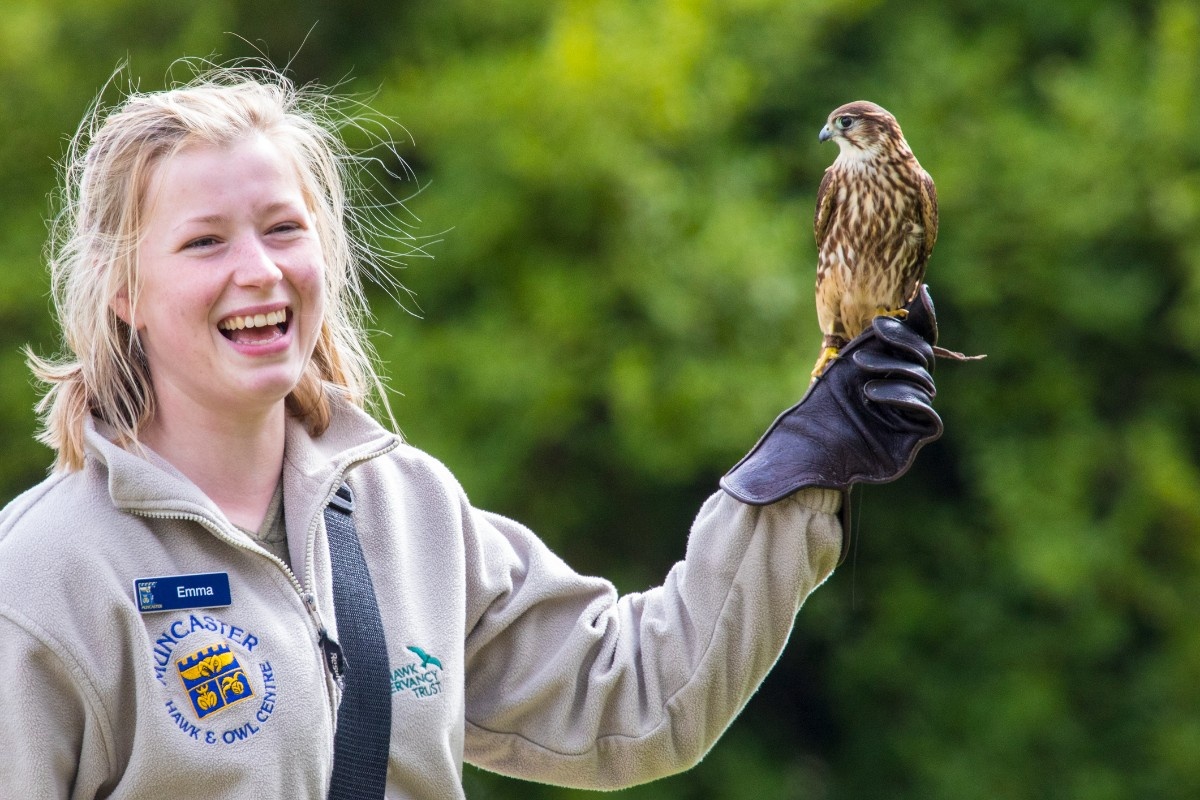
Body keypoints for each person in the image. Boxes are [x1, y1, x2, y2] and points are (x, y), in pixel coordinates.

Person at [0, 64, 942, 799]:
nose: (258, 270)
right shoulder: (45, 577)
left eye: (285, 229)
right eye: (205, 241)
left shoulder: (409, 516)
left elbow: (641, 699)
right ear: (122, 291)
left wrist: (796, 472)